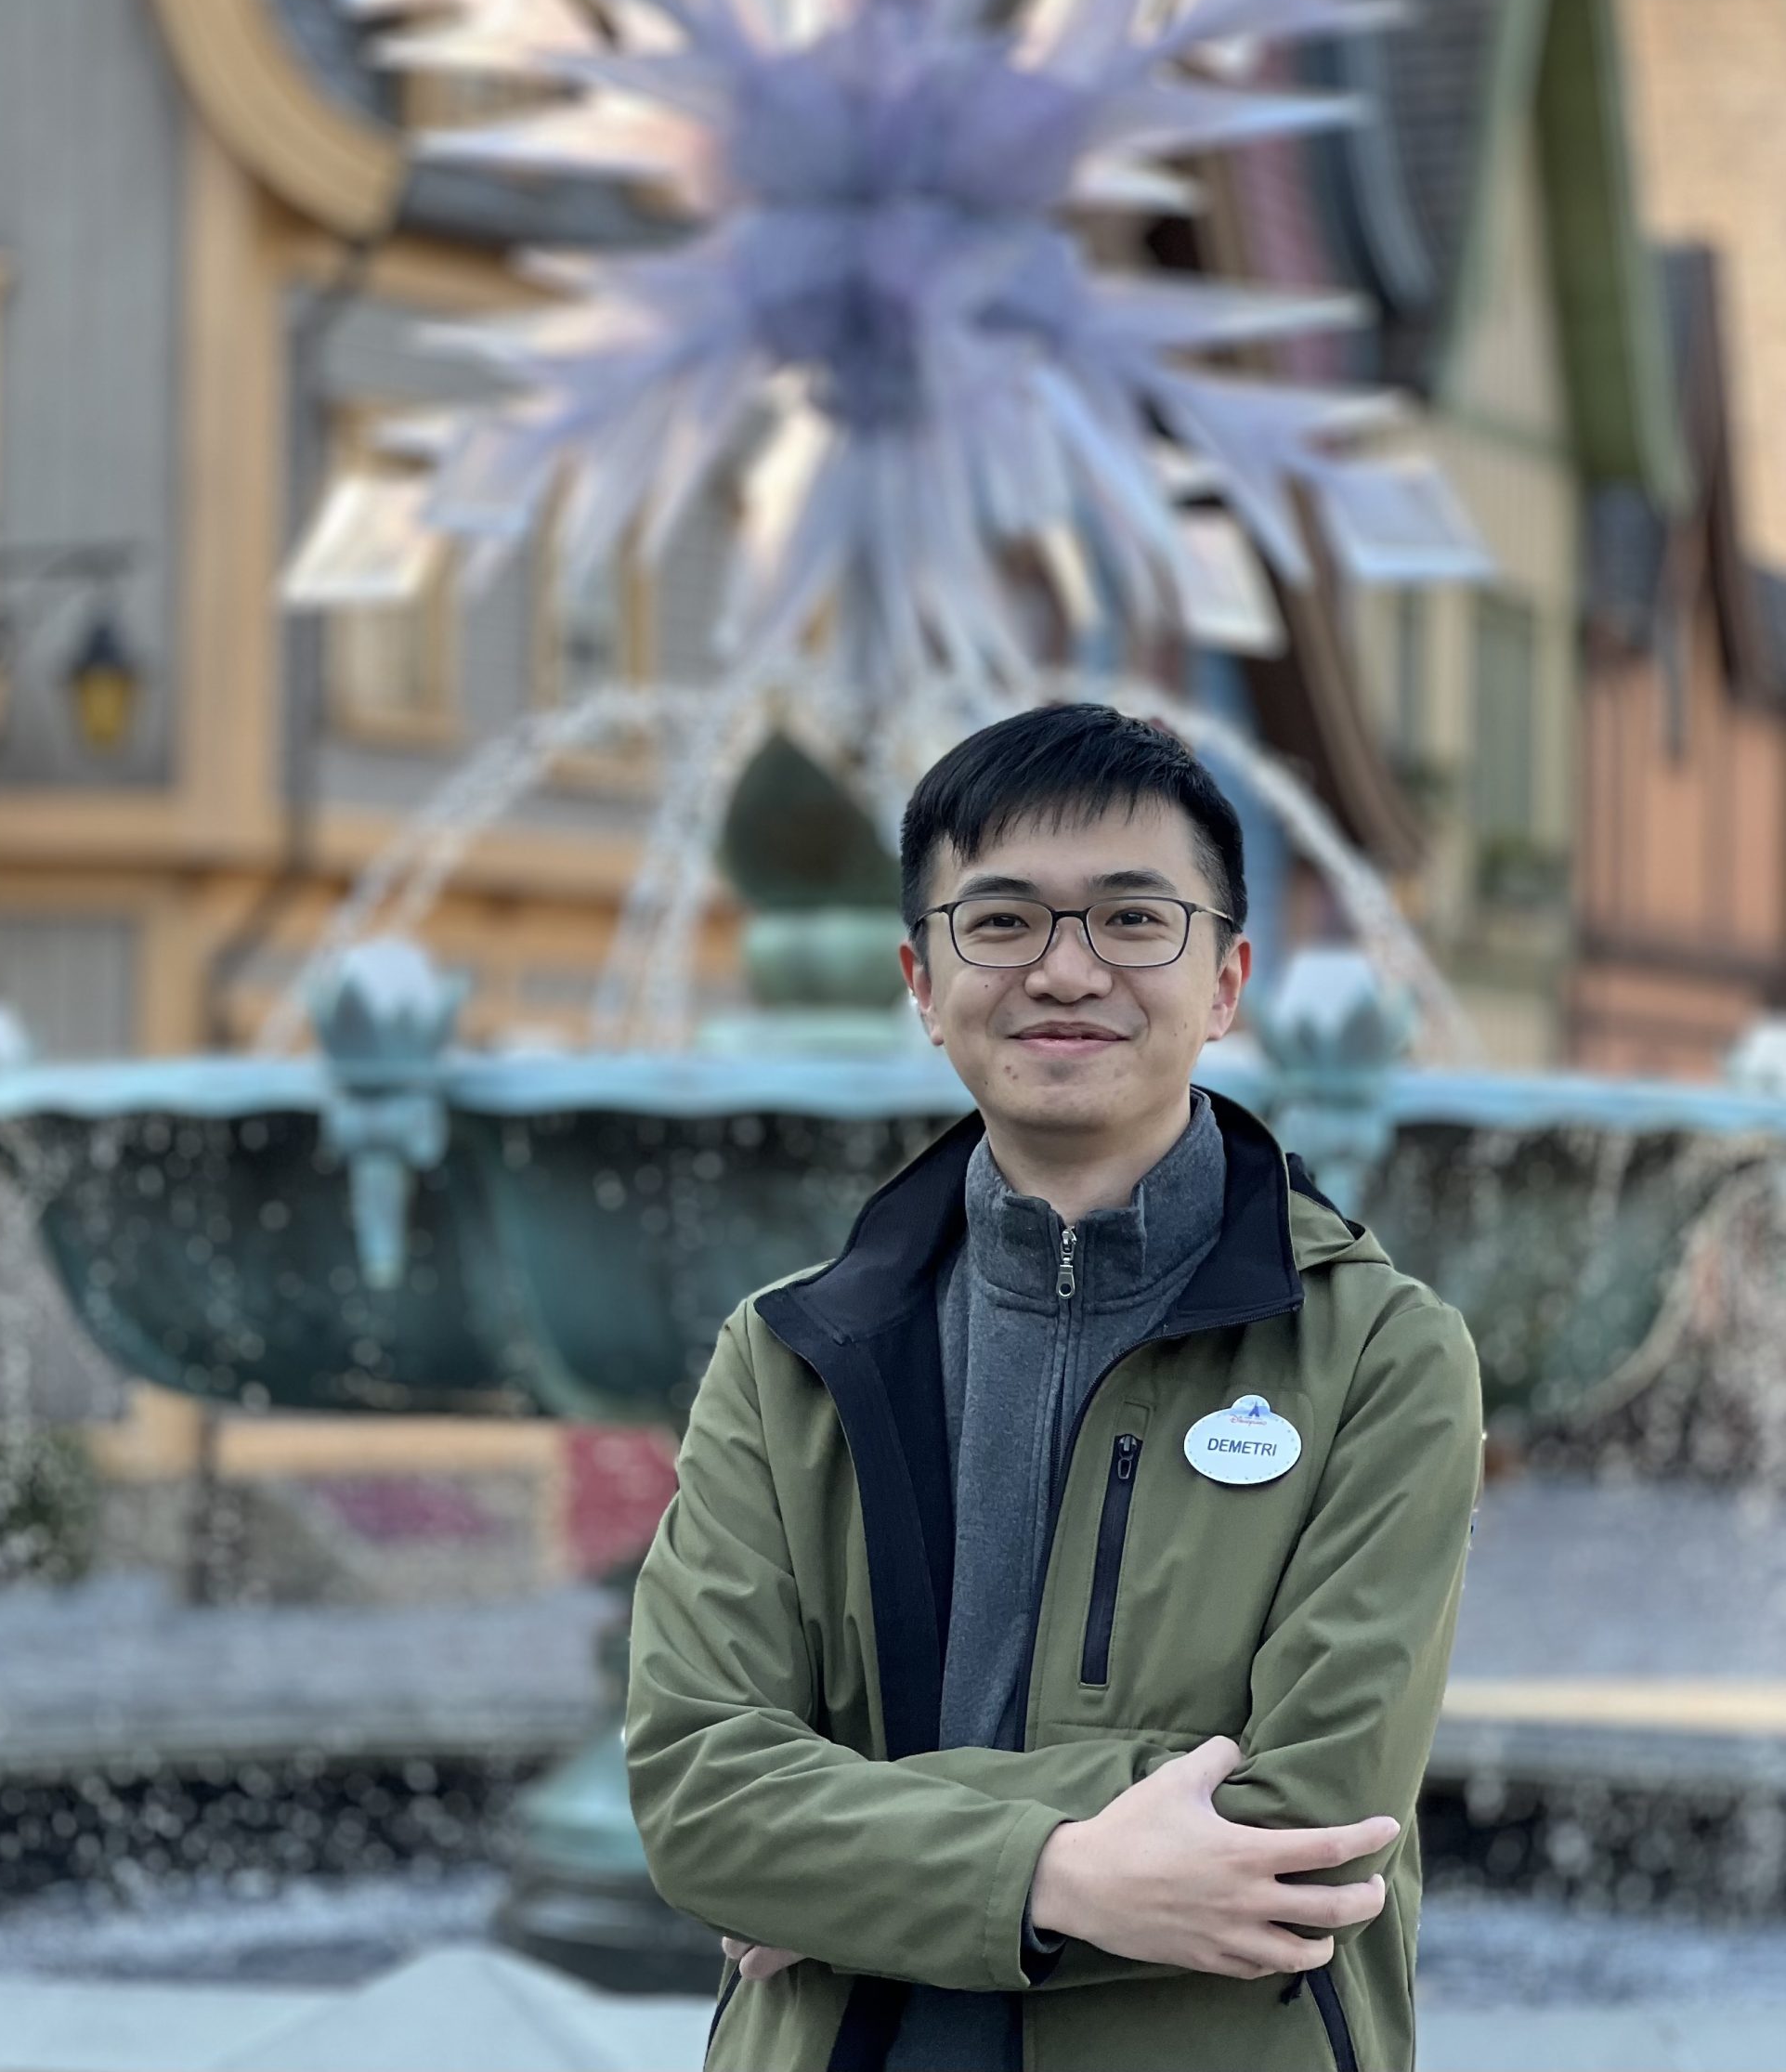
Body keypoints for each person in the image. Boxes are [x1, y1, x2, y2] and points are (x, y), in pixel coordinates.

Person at [627, 703, 1483, 2072]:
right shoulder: (788, 1356)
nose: (1068, 971)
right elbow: (698, 1800)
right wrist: (1067, 1871)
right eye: (1004, 921)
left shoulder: (1380, 1354)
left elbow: (1308, 1824)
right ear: (920, 978)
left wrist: (843, 1851)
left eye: (1135, 921)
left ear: (1226, 980)